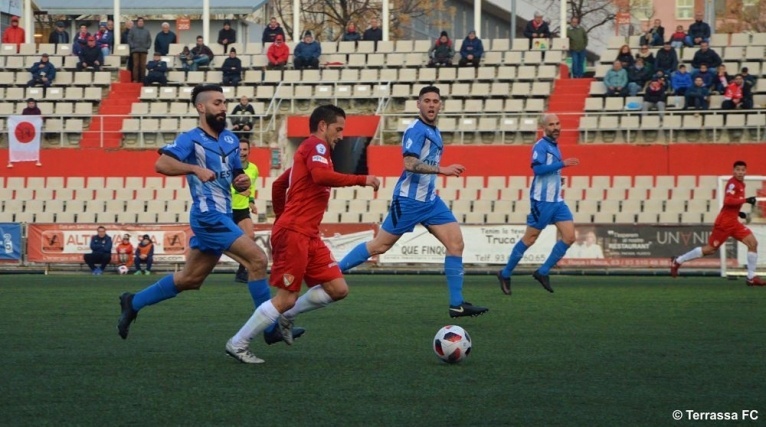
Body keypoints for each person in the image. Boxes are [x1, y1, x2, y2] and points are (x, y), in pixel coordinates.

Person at [117, 84, 302, 348]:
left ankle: (132, 302)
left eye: (224, 102)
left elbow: (237, 174)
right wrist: (194, 169)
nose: (223, 107)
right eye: (217, 103)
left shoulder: (230, 139)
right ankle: (270, 327)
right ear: (201, 107)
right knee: (258, 260)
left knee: (190, 279)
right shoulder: (190, 139)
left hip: (222, 214)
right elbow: (161, 164)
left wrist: (241, 183)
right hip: (208, 216)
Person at [224, 104, 381, 363]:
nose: (341, 135)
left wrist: (282, 217)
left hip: (307, 234)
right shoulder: (316, 146)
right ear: (323, 126)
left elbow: (279, 184)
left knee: (337, 288)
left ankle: (287, 315)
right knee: (286, 297)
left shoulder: (307, 154)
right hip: (296, 233)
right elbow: (320, 177)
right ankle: (238, 343)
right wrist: (361, 179)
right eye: (338, 129)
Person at [338, 86, 489, 318]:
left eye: (435, 101)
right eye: (426, 100)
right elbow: (409, 163)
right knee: (379, 246)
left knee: (456, 244)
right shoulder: (416, 130)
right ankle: (332, 272)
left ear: (440, 105)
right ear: (418, 104)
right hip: (408, 201)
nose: (431, 105)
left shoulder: (434, 131)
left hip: (430, 201)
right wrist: (443, 170)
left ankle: (457, 304)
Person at [496, 113, 579, 294]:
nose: (556, 127)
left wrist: (558, 179)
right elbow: (538, 169)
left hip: (557, 200)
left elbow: (549, 172)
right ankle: (505, 273)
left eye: (558, 124)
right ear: (544, 128)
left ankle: (542, 271)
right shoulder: (540, 146)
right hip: (541, 202)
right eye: (551, 125)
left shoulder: (554, 146)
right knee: (530, 238)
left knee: (570, 237)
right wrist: (562, 164)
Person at [672, 161, 763, 286]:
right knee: (710, 249)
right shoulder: (732, 184)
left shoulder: (741, 184)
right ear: (734, 171)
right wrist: (746, 200)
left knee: (753, 243)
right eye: (738, 170)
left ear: (745, 171)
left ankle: (751, 277)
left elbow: (732, 203)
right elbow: (728, 200)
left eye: (743, 170)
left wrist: (738, 212)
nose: (741, 172)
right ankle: (678, 260)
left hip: (733, 223)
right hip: (724, 223)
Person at [231, 140, 259, 283]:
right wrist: (237, 192)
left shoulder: (253, 169)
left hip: (242, 209)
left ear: (249, 151)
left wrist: (251, 202)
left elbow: (251, 188)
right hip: (227, 209)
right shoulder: (229, 166)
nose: (242, 152)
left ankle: (241, 272)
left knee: (250, 236)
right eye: (239, 149)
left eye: (244, 149)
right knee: (222, 243)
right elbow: (224, 187)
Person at [128, 17, 151, 83]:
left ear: (143, 23)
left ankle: (142, 80)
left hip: (144, 51)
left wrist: (147, 46)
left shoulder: (147, 30)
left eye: (142, 21)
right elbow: (129, 39)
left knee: (143, 66)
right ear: (137, 22)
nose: (140, 22)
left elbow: (149, 40)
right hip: (135, 51)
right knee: (136, 65)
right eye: (139, 21)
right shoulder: (132, 30)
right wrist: (133, 46)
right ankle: (135, 79)